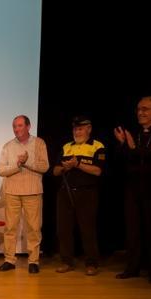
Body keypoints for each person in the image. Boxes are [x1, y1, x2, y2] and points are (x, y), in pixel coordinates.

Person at [113, 96, 151, 282]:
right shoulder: (136, 134)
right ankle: (133, 267)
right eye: (138, 109)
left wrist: (131, 147)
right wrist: (123, 144)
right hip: (133, 188)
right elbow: (122, 159)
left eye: (145, 109)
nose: (140, 113)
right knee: (133, 229)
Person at [52, 116, 106, 275]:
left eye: (80, 128)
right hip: (66, 192)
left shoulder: (97, 146)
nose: (77, 131)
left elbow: (98, 171)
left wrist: (77, 164)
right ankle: (66, 261)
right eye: (75, 129)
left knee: (87, 229)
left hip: (87, 193)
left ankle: (92, 264)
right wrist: (65, 168)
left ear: (89, 129)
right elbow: (55, 171)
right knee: (64, 229)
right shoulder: (66, 146)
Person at [0, 115, 50, 273]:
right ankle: (9, 259)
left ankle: (33, 261)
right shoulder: (8, 146)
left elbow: (44, 166)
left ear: (28, 126)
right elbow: (1, 170)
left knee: (33, 228)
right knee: (10, 227)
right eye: (14, 126)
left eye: (19, 126)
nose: (16, 129)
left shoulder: (39, 143)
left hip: (33, 191)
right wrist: (18, 165)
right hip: (12, 191)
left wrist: (27, 163)